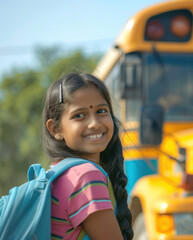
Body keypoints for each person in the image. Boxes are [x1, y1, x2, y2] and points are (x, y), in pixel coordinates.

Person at [42, 73, 133, 240]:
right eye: (79, 115)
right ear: (56, 129)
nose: (95, 123)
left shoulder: (59, 172)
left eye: (101, 111)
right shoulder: (86, 176)